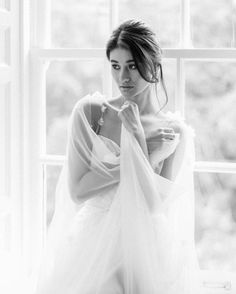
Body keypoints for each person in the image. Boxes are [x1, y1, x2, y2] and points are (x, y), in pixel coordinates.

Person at [34, 20, 203, 294]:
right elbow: (77, 191)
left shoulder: (174, 132)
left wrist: (137, 134)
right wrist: (142, 156)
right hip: (92, 245)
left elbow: (154, 206)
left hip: (145, 249)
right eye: (115, 66)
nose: (123, 77)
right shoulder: (90, 113)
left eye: (132, 66)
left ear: (153, 65)